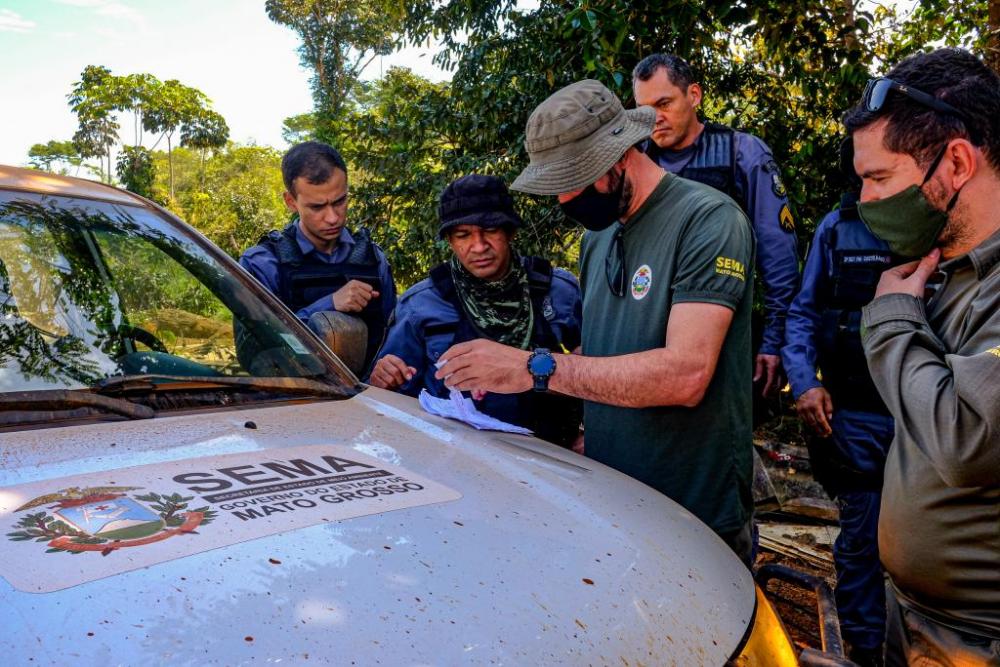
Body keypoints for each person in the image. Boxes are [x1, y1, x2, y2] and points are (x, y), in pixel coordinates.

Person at [433, 80, 756, 564]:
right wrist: (513, 384)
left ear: (619, 156)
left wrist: (534, 368)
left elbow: (686, 374)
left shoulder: (707, 220)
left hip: (692, 507)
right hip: (615, 494)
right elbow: (609, 353)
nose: (564, 200)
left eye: (573, 180)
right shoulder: (599, 238)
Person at [845, 48, 1000, 664]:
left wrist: (888, 321)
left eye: (880, 178)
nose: (865, 198)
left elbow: (966, 438)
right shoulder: (952, 271)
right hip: (917, 619)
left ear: (956, 161)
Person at [781, 139, 894, 667]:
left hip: (933, 421)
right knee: (861, 545)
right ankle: (866, 652)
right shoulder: (838, 226)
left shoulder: (956, 219)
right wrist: (804, 383)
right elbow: (803, 313)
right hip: (856, 416)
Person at [632, 53, 800, 407]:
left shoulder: (741, 153)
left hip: (726, 332)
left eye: (664, 103)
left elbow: (778, 254)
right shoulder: (635, 163)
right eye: (644, 109)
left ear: (694, 95)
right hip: (649, 337)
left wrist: (774, 340)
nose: (654, 119)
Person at [368, 175, 583, 447]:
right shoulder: (421, 305)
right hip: (459, 459)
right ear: (449, 240)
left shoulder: (559, 291)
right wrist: (383, 379)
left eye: (490, 231)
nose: (479, 246)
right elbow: (392, 399)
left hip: (555, 455)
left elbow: (598, 369)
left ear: (510, 232)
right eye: (463, 235)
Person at [240, 141, 396, 371]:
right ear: (291, 201)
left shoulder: (373, 260)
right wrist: (330, 304)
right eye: (317, 207)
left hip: (367, 398)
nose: (332, 217)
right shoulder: (262, 264)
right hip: (295, 399)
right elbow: (254, 352)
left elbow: (393, 336)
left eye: (340, 201)